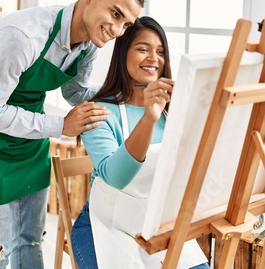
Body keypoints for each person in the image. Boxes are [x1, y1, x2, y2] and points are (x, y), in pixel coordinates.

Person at [0, 0, 145, 269]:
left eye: (126, 24)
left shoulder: (88, 44)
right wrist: (60, 126)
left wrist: (130, 93)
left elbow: (76, 91)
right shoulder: (22, 37)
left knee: (29, 239)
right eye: (115, 14)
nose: (117, 30)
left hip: (29, 143)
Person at [71, 16, 210, 268]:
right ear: (123, 53)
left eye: (160, 52)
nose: (153, 58)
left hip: (159, 226)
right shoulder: (99, 112)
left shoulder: (172, 113)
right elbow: (115, 177)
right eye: (143, 49)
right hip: (104, 226)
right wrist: (148, 117)